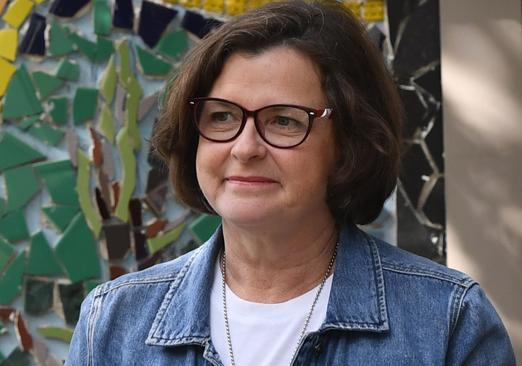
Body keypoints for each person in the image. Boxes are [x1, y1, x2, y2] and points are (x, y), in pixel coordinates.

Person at [67, 1, 515, 364]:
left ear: (349, 144)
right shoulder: (112, 323)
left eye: (283, 120)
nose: (245, 148)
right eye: (221, 116)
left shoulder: (448, 322)